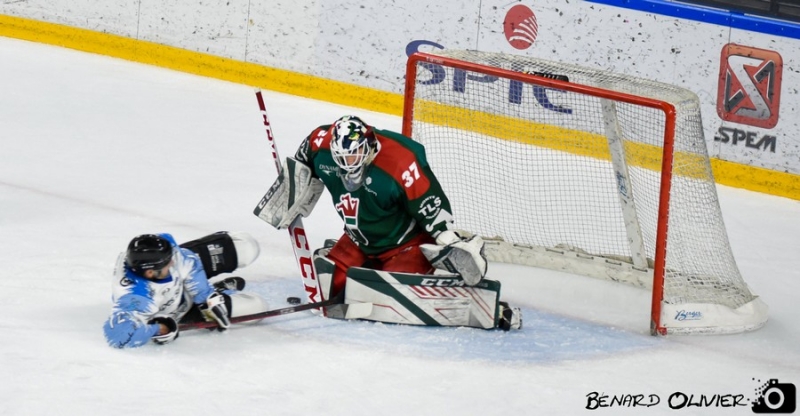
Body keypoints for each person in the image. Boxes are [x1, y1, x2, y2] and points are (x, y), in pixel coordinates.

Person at [256, 115, 521, 330]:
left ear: (368, 144)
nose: (349, 164)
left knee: (392, 299)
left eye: (355, 154)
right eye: (343, 158)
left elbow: (431, 205)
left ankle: (484, 304)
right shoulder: (323, 143)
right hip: (359, 239)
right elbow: (308, 150)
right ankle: (351, 261)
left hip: (405, 244)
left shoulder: (401, 160)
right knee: (325, 286)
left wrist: (448, 240)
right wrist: (292, 185)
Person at [103, 231, 268, 348]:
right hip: (180, 309)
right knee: (258, 306)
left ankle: (214, 290)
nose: (173, 263)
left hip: (189, 284)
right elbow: (118, 335)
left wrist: (206, 298)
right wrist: (160, 328)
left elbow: (187, 261)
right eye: (168, 263)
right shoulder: (136, 297)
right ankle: (218, 291)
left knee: (246, 245)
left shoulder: (163, 252)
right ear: (150, 272)